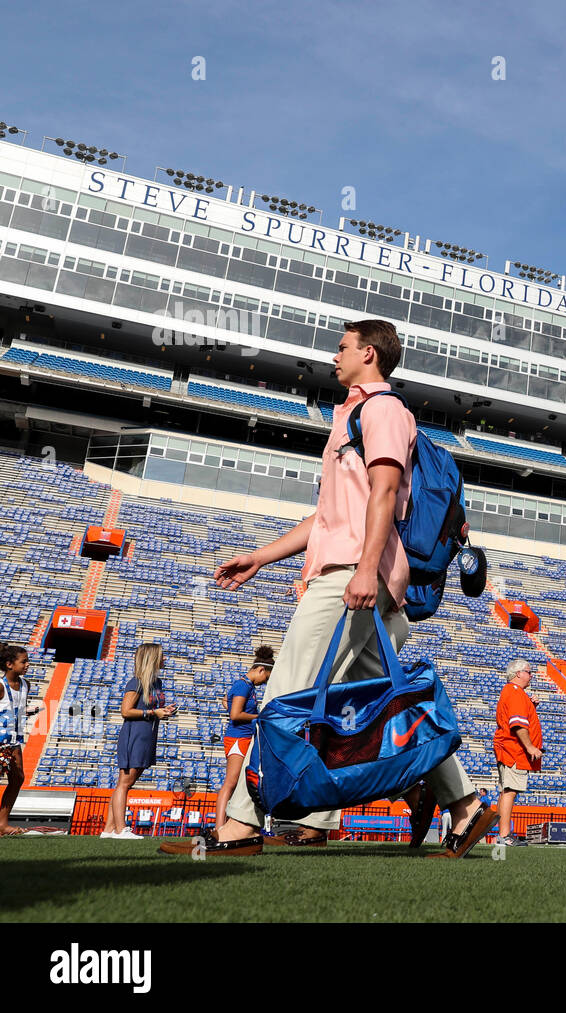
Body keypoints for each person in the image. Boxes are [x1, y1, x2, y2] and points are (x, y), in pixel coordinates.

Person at [166, 320, 495, 858]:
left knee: (285, 688)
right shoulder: (349, 415)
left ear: (368, 354)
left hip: (354, 573)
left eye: (341, 348)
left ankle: (241, 826)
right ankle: (463, 803)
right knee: (392, 697)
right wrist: (261, 555)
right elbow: (326, 517)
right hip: (350, 567)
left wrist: (367, 569)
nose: (333, 357)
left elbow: (385, 491)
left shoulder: (383, 409)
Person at [105, 644, 176, 839]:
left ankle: (109, 829)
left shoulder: (157, 682)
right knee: (125, 783)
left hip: (147, 735)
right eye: (162, 656)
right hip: (134, 735)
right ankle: (121, 829)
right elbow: (126, 711)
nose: (165, 660)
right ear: (152, 659)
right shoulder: (136, 682)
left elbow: (152, 708)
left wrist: (164, 711)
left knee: (127, 782)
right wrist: (153, 712)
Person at [214, 646, 273, 832]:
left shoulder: (246, 686)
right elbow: (235, 714)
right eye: (266, 678)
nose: (265, 682)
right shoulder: (242, 685)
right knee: (230, 783)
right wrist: (259, 717)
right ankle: (219, 827)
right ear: (261, 670)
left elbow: (226, 701)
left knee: (236, 784)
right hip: (238, 739)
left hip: (244, 737)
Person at [494, 659, 543, 846]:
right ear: (518, 674)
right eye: (529, 672)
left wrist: (531, 707)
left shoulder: (517, 693)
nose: (531, 676)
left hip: (510, 748)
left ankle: (503, 834)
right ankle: (505, 836)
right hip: (513, 749)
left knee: (507, 790)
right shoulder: (514, 692)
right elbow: (517, 724)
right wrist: (530, 746)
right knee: (510, 791)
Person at [1, 645, 42, 837]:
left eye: (27, 661)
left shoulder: (26, 684)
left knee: (17, 779)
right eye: (23, 661)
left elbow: (14, 708)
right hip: (0, 742)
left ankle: (2, 824)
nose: (27, 664)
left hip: (14, 741)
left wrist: (28, 712)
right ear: (9, 664)